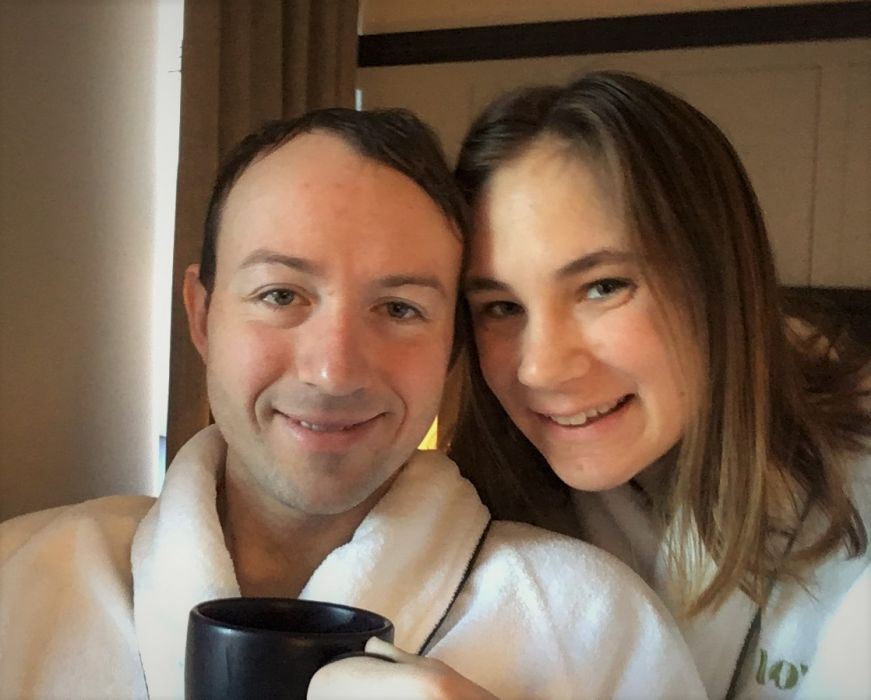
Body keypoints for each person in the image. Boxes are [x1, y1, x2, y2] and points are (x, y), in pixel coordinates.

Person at [0, 107, 705, 699]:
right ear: (201, 313)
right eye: (281, 295)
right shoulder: (19, 585)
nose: (334, 371)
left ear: (453, 342)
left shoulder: (597, 629)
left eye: (399, 308)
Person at [448, 71, 871, 699]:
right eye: (501, 307)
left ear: (718, 281)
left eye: (603, 286)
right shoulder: (478, 511)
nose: (540, 369)